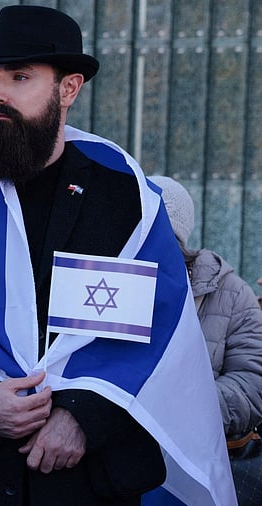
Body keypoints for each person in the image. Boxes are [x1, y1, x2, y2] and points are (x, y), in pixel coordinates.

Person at [0, 6, 234, 506]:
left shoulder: (127, 203)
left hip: (96, 482)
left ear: (69, 89)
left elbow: (160, 338)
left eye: (20, 77)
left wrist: (83, 415)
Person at [150, 175, 262, 505]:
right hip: (113, 462)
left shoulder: (230, 293)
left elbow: (251, 382)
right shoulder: (110, 284)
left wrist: (179, 406)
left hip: (195, 468)